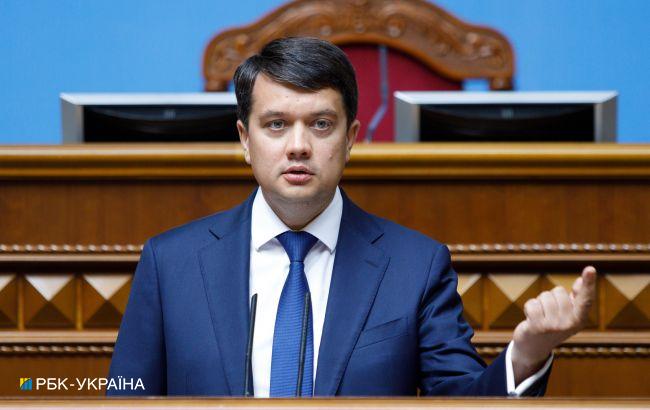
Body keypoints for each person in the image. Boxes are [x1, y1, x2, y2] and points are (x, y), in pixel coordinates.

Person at [107, 37, 596, 397]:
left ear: (351, 138)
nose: (298, 146)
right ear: (244, 139)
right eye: (276, 125)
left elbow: (461, 403)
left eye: (321, 124)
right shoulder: (171, 263)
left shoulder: (415, 266)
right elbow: (126, 398)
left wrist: (526, 354)